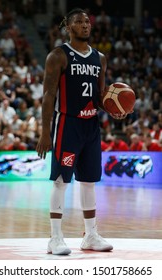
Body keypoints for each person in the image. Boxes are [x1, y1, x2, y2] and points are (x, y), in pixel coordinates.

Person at [36, 8, 126, 256]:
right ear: (68, 26)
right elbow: (47, 96)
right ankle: (55, 238)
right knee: (61, 181)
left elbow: (98, 97)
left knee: (89, 182)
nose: (85, 25)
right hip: (67, 124)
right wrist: (45, 132)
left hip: (91, 126)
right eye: (79, 21)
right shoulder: (58, 56)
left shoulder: (100, 58)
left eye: (87, 21)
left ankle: (90, 235)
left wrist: (112, 108)